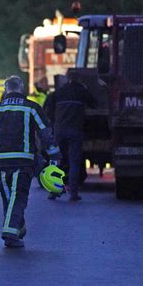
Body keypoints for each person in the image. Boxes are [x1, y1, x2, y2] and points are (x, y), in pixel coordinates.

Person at [0, 76, 61, 248]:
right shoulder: (32, 108)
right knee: (18, 197)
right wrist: (54, 153)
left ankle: (17, 227)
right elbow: (45, 132)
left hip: (1, 162)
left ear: (6, 90)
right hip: (23, 161)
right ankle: (10, 232)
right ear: (21, 89)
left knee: (9, 197)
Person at [44, 68, 97, 201]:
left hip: (59, 131)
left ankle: (54, 192)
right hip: (75, 131)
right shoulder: (81, 92)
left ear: (67, 79)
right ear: (79, 79)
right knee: (74, 162)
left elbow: (48, 110)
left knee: (57, 162)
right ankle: (73, 193)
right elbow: (94, 104)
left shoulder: (58, 93)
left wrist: (54, 123)